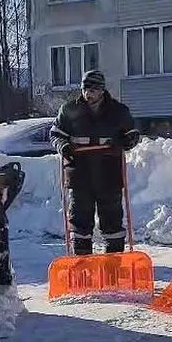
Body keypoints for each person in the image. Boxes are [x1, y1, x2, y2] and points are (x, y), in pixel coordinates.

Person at [49, 70, 142, 255]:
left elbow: (132, 133)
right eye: (85, 89)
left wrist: (127, 141)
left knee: (112, 220)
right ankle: (83, 266)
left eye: (92, 89)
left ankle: (114, 263)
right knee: (80, 221)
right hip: (79, 173)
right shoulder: (69, 110)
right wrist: (64, 147)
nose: (87, 93)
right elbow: (56, 135)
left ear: (101, 90)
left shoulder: (118, 111)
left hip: (109, 174)